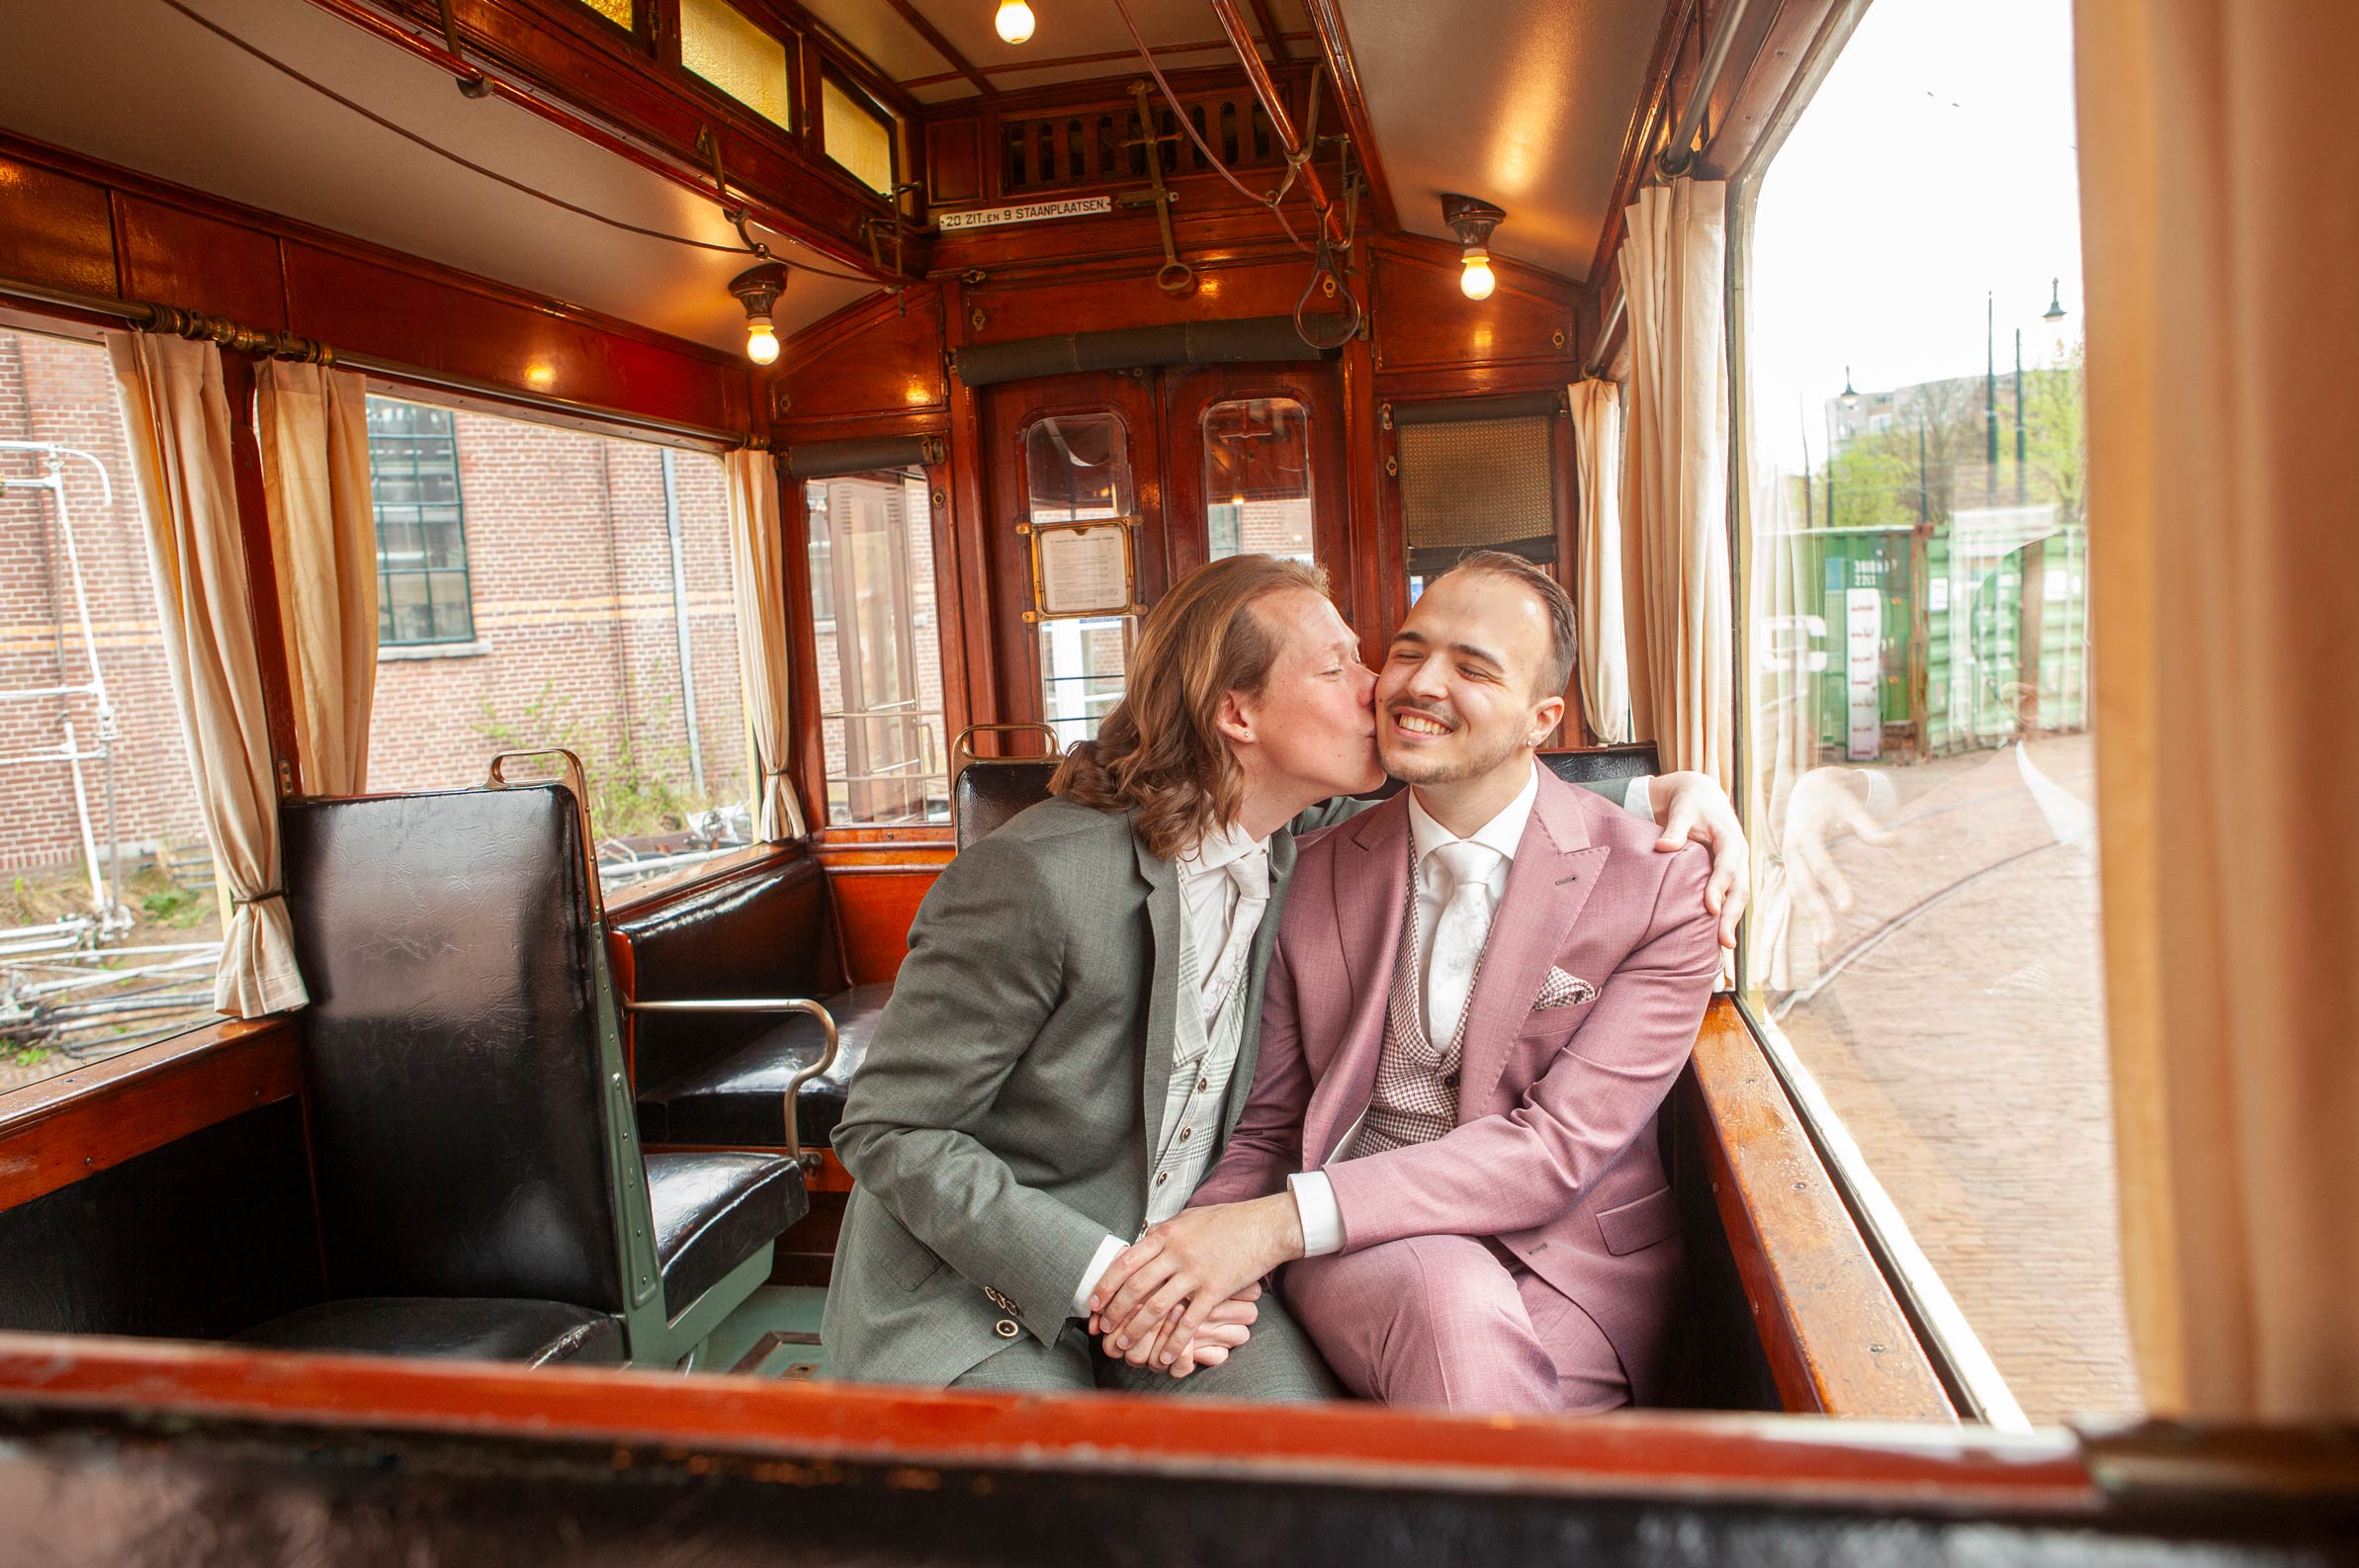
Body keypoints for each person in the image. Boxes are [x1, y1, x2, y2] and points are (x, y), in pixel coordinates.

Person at [826, 553, 1744, 1396]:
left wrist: (1673, 793)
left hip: (1199, 1256)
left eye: (1365, 656)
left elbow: (1505, 801)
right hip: (992, 1283)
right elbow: (888, 1125)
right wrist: (1106, 1272)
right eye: (1351, 664)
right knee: (1072, 1504)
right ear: (1239, 715)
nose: (1386, 686)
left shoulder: (1291, 842)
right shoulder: (1042, 875)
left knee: (1295, 1475)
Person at [1089, 553, 1720, 1413]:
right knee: (1446, 1295)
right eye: (1410, 651)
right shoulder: (1304, 870)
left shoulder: (1662, 885)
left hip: (1570, 1268)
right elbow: (1272, 1121)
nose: (1420, 684)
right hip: (1364, 1259)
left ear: (1543, 719)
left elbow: (1554, 1151)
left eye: (1472, 668)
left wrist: (1271, 1226)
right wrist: (1191, 1264)